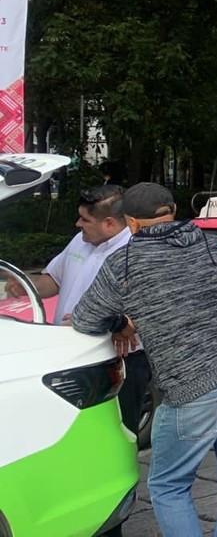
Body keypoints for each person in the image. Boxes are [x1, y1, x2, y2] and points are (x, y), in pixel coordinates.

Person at [72, 183, 217, 537]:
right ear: (173, 210)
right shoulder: (215, 248)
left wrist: (120, 323)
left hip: (192, 388)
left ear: (131, 224)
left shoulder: (124, 263)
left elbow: (86, 319)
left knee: (168, 485)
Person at [4, 186, 150, 435]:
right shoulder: (81, 240)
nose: (77, 224)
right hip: (68, 353)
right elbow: (54, 281)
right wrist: (26, 284)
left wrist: (118, 322)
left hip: (116, 362)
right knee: (68, 431)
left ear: (109, 223)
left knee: (116, 432)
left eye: (85, 219)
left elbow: (151, 306)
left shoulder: (139, 252)